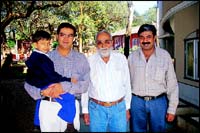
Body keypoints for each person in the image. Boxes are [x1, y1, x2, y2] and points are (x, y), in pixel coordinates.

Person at [24, 22, 90, 132]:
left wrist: (63, 86)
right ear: (57, 36)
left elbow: (85, 85)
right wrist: (42, 92)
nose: (66, 38)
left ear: (74, 38)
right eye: (62, 34)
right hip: (47, 106)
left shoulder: (81, 59)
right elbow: (28, 84)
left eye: (70, 35)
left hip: (70, 107)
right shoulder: (44, 56)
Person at [128, 24, 179, 132]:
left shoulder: (164, 56)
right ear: (138, 39)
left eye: (148, 37)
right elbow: (126, 83)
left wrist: (172, 109)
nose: (145, 40)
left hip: (159, 102)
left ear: (154, 38)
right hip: (137, 102)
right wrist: (126, 107)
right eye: (142, 37)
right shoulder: (132, 57)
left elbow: (172, 84)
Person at [81, 30, 132, 132]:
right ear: (96, 45)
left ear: (112, 42)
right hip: (96, 109)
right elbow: (85, 88)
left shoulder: (121, 59)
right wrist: (85, 110)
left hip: (119, 109)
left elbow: (127, 84)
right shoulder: (89, 61)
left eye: (107, 42)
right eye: (100, 42)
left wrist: (127, 107)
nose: (103, 45)